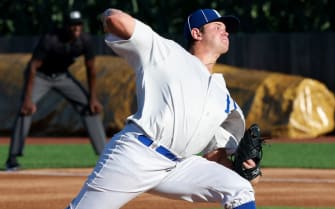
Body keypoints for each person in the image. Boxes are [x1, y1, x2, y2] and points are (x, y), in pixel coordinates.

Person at [66, 8, 259, 209]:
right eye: (218, 26)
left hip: (178, 166)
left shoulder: (223, 96)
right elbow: (115, 19)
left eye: (226, 29)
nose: (225, 31)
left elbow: (215, 157)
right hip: (137, 155)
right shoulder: (166, 53)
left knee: (239, 188)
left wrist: (248, 171)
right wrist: (106, 15)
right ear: (196, 33)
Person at [5, 10, 107, 170]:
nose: (76, 28)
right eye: (73, 25)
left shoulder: (85, 41)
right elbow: (32, 67)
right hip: (41, 76)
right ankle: (12, 159)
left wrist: (92, 98)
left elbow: (91, 69)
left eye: (79, 24)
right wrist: (27, 99)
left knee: (90, 108)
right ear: (66, 26)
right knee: (25, 110)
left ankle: (105, 157)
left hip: (62, 77)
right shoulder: (50, 40)